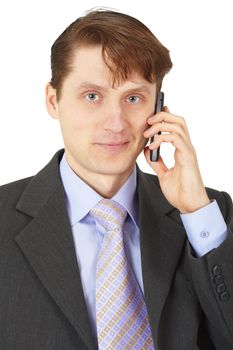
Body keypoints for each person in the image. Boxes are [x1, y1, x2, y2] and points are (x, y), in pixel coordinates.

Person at [0, 8, 232, 350]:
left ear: (159, 109)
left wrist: (196, 209)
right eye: (92, 96)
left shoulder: (208, 217)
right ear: (53, 99)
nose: (115, 122)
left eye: (134, 98)